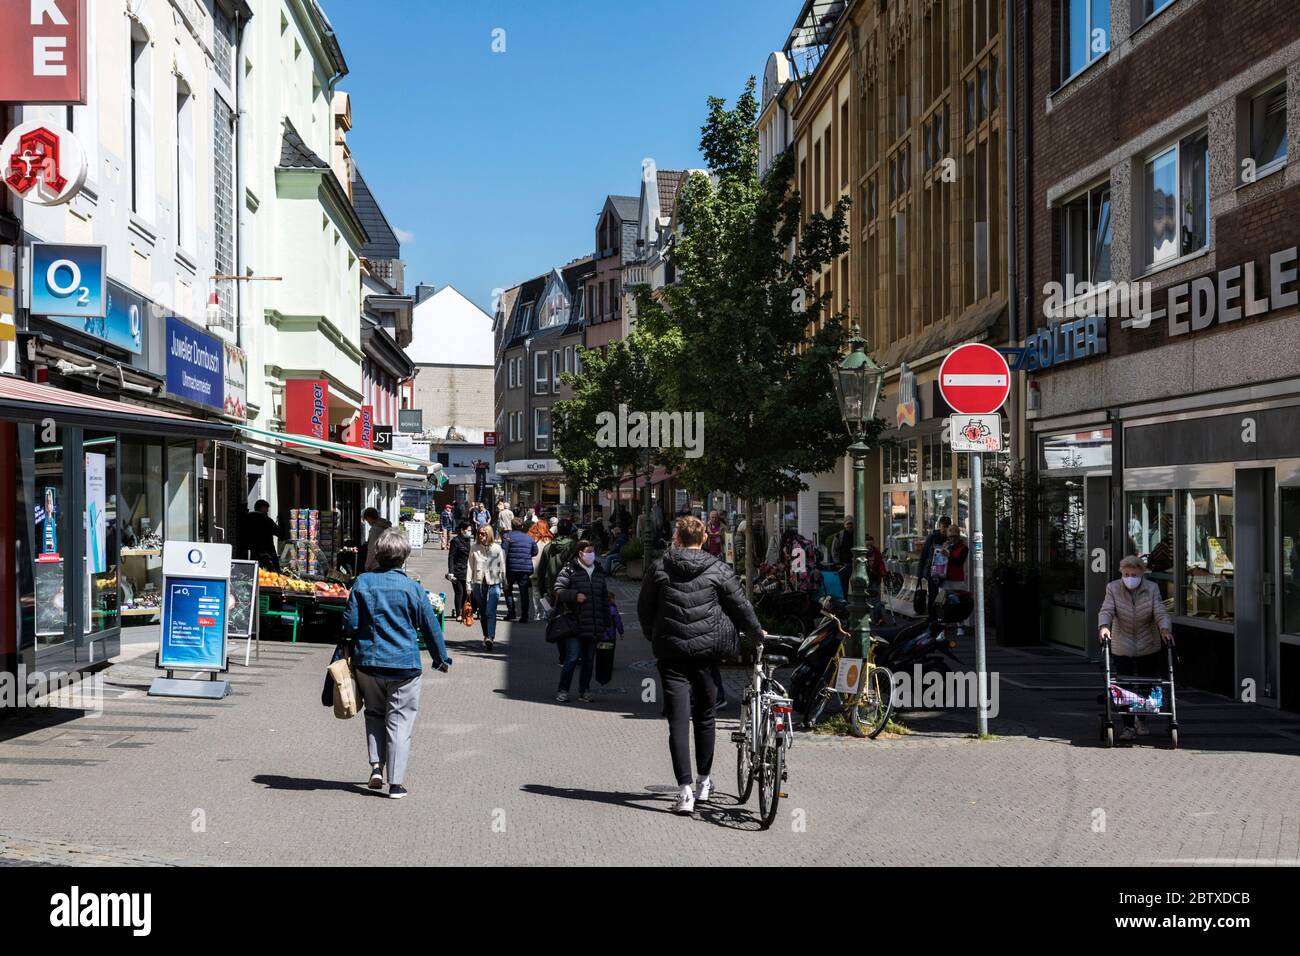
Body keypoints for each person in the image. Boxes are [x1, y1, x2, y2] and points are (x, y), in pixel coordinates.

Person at [638, 516, 764, 816]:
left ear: (677, 538)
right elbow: (739, 605)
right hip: (707, 655)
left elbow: (645, 607)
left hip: (671, 654)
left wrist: (653, 634)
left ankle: (684, 793)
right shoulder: (717, 569)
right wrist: (757, 632)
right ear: (705, 538)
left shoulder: (659, 567)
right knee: (705, 716)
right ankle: (704, 783)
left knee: (678, 720)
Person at [343, 528, 452, 799]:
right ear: (404, 557)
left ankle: (376, 766)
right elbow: (430, 627)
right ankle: (396, 783)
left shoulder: (363, 582)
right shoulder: (413, 588)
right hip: (404, 665)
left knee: (374, 714)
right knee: (400, 722)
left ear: (378, 555)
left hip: (368, 662)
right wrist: (440, 659)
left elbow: (350, 624)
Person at [1099, 555, 1173, 741]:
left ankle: (1141, 719)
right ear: (1121, 573)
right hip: (1121, 643)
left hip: (1148, 642)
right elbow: (1107, 610)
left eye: (1134, 574)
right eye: (1126, 574)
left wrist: (1164, 629)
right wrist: (1104, 627)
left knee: (1147, 684)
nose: (1129, 577)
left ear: (1141, 574)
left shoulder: (1152, 588)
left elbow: (1160, 611)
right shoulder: (1113, 588)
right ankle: (1128, 726)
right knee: (1124, 685)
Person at [552, 539, 610, 703]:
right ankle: (563, 690)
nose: (591, 554)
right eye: (588, 551)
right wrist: (574, 596)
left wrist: (607, 622)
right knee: (572, 657)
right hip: (575, 622)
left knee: (589, 660)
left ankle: (584, 690)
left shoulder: (598, 570)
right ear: (580, 553)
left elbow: (604, 598)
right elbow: (558, 590)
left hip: (593, 622)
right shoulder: (570, 569)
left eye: (593, 551)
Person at [468, 524, 506, 651]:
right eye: (479, 533)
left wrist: (504, 582)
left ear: (489, 534)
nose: (480, 536)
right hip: (478, 584)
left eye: (483, 534)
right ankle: (486, 635)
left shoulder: (496, 548)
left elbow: (502, 566)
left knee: (491, 611)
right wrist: (468, 584)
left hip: (494, 582)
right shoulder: (474, 548)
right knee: (483, 612)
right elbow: (470, 566)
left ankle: (490, 637)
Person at [501, 517, 538, 623]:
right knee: (524, 592)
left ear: (512, 526)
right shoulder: (529, 538)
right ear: (522, 526)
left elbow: (503, 552)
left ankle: (511, 612)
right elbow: (535, 552)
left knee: (508, 590)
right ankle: (524, 615)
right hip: (525, 568)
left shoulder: (507, 537)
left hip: (510, 568)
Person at [918, 515, 952, 617]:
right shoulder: (932, 537)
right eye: (943, 526)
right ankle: (932, 617)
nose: (944, 529)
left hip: (946, 571)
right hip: (933, 570)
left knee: (946, 594)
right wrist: (920, 572)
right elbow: (924, 554)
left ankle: (943, 617)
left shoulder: (951, 539)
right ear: (939, 526)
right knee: (933, 594)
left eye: (947, 526)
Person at [447, 520, 473, 624]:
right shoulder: (455, 541)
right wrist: (451, 572)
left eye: (470, 530)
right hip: (457, 571)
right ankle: (458, 614)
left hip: (467, 570)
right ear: (462, 530)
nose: (470, 532)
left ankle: (464, 611)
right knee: (459, 592)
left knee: (467, 593)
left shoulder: (468, 540)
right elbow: (451, 557)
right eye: (468, 530)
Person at [243, 499, 281, 570]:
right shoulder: (266, 519)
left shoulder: (246, 518)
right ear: (262, 508)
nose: (267, 511)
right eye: (266, 508)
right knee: (271, 573)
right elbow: (279, 533)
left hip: (254, 551)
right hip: (267, 550)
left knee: (255, 570)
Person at [361, 507, 393, 573]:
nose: (368, 522)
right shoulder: (387, 527)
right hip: (389, 562)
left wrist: (367, 565)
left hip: (377, 564)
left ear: (370, 517)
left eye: (367, 520)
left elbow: (372, 549)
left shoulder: (375, 530)